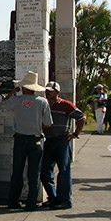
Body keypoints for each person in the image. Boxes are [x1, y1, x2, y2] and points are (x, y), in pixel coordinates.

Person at [4, 71, 53, 211]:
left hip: (19, 138)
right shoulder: (42, 102)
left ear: (23, 87)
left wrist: (13, 91)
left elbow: (5, 103)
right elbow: (48, 123)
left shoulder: (16, 100)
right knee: (34, 173)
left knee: (17, 172)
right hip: (36, 140)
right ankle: (31, 203)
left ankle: (13, 201)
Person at [40, 81, 86, 209]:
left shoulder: (66, 105)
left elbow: (81, 118)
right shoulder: (45, 104)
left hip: (62, 141)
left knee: (64, 171)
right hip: (48, 140)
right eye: (46, 90)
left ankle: (65, 200)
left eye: (50, 90)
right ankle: (53, 198)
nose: (47, 92)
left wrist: (75, 133)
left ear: (57, 92)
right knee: (44, 171)